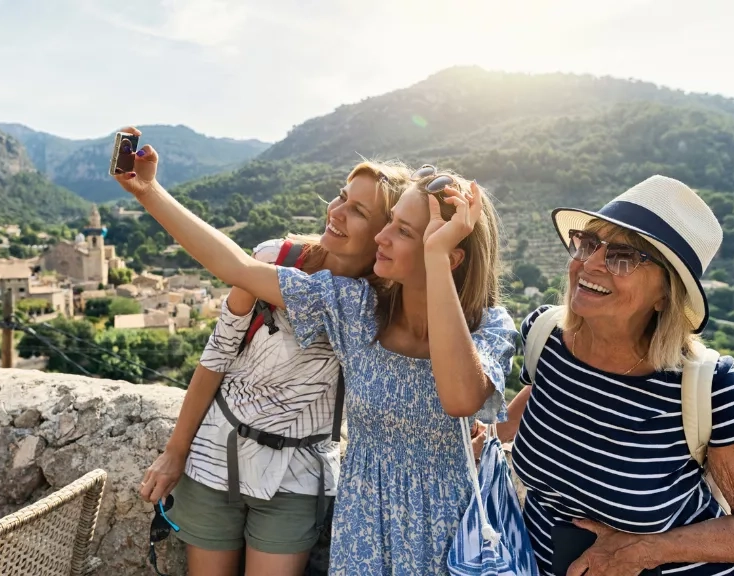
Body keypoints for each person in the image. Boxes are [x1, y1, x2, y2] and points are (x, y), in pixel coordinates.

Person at [113, 126, 517, 575]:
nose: (383, 237)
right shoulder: (356, 308)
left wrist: (437, 258)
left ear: (449, 256)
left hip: (446, 524)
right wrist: (148, 191)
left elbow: (459, 398)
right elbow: (238, 266)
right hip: (364, 522)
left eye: (401, 231)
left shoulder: (491, 327)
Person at [138, 159, 413, 576]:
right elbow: (217, 355)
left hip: (298, 475)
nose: (336, 211)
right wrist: (175, 451)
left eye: (359, 211)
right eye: (342, 196)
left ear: (385, 233)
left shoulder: (375, 307)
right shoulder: (276, 258)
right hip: (217, 454)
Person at [503, 175, 734, 576]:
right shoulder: (545, 337)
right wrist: (481, 436)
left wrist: (643, 551)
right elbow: (539, 402)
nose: (591, 263)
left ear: (665, 294)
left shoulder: (708, 388)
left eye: (622, 256)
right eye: (587, 243)